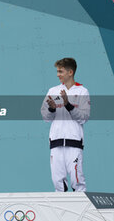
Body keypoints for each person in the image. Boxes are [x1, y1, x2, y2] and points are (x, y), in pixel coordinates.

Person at [41, 58, 90, 192]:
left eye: (60, 71)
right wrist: (51, 109)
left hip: (74, 142)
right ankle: (61, 212)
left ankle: (81, 210)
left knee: (77, 180)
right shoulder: (53, 90)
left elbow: (84, 117)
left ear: (70, 72)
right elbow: (45, 117)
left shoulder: (82, 91)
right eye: (57, 71)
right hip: (56, 142)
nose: (58, 75)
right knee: (57, 180)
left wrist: (68, 105)